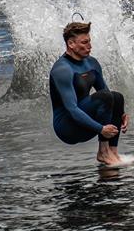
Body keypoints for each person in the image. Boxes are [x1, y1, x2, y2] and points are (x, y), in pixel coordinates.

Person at [49, 21, 129, 166]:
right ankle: (103, 153)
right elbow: (72, 109)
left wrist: (121, 113)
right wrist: (101, 129)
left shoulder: (92, 63)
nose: (90, 46)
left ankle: (113, 152)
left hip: (86, 122)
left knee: (116, 97)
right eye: (84, 43)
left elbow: (107, 94)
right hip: (68, 128)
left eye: (90, 41)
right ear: (71, 44)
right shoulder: (62, 70)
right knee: (105, 97)